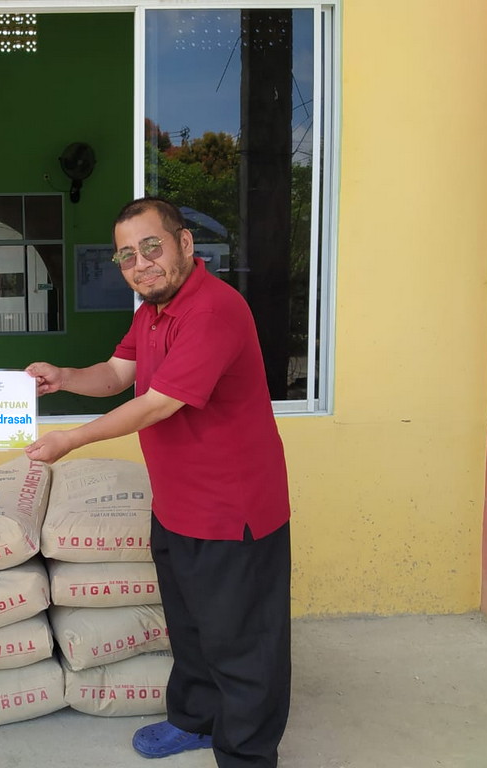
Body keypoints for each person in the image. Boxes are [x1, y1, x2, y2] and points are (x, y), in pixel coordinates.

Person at [24, 197, 291, 768]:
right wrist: (64, 377)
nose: (141, 264)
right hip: (177, 503)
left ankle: (247, 755)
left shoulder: (213, 309)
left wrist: (69, 441)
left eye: (152, 248)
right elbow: (119, 374)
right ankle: (196, 720)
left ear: (184, 245)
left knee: (242, 641)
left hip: (231, 507)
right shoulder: (150, 311)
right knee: (192, 627)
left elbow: (158, 404)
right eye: (126, 257)